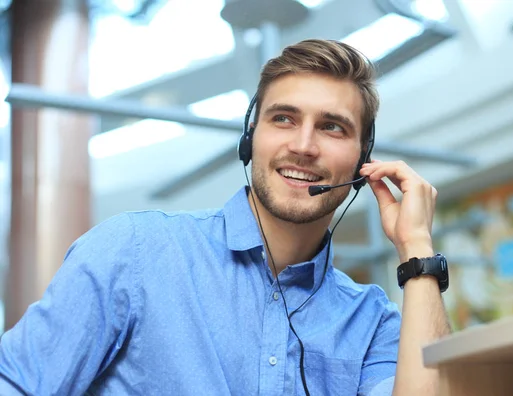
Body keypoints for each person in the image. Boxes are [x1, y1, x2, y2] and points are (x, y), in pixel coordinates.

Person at [0, 39, 451, 395]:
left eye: (332, 126)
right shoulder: (133, 252)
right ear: (250, 137)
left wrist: (417, 249)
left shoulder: (373, 322)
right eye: (284, 119)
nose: (304, 145)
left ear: (362, 160)